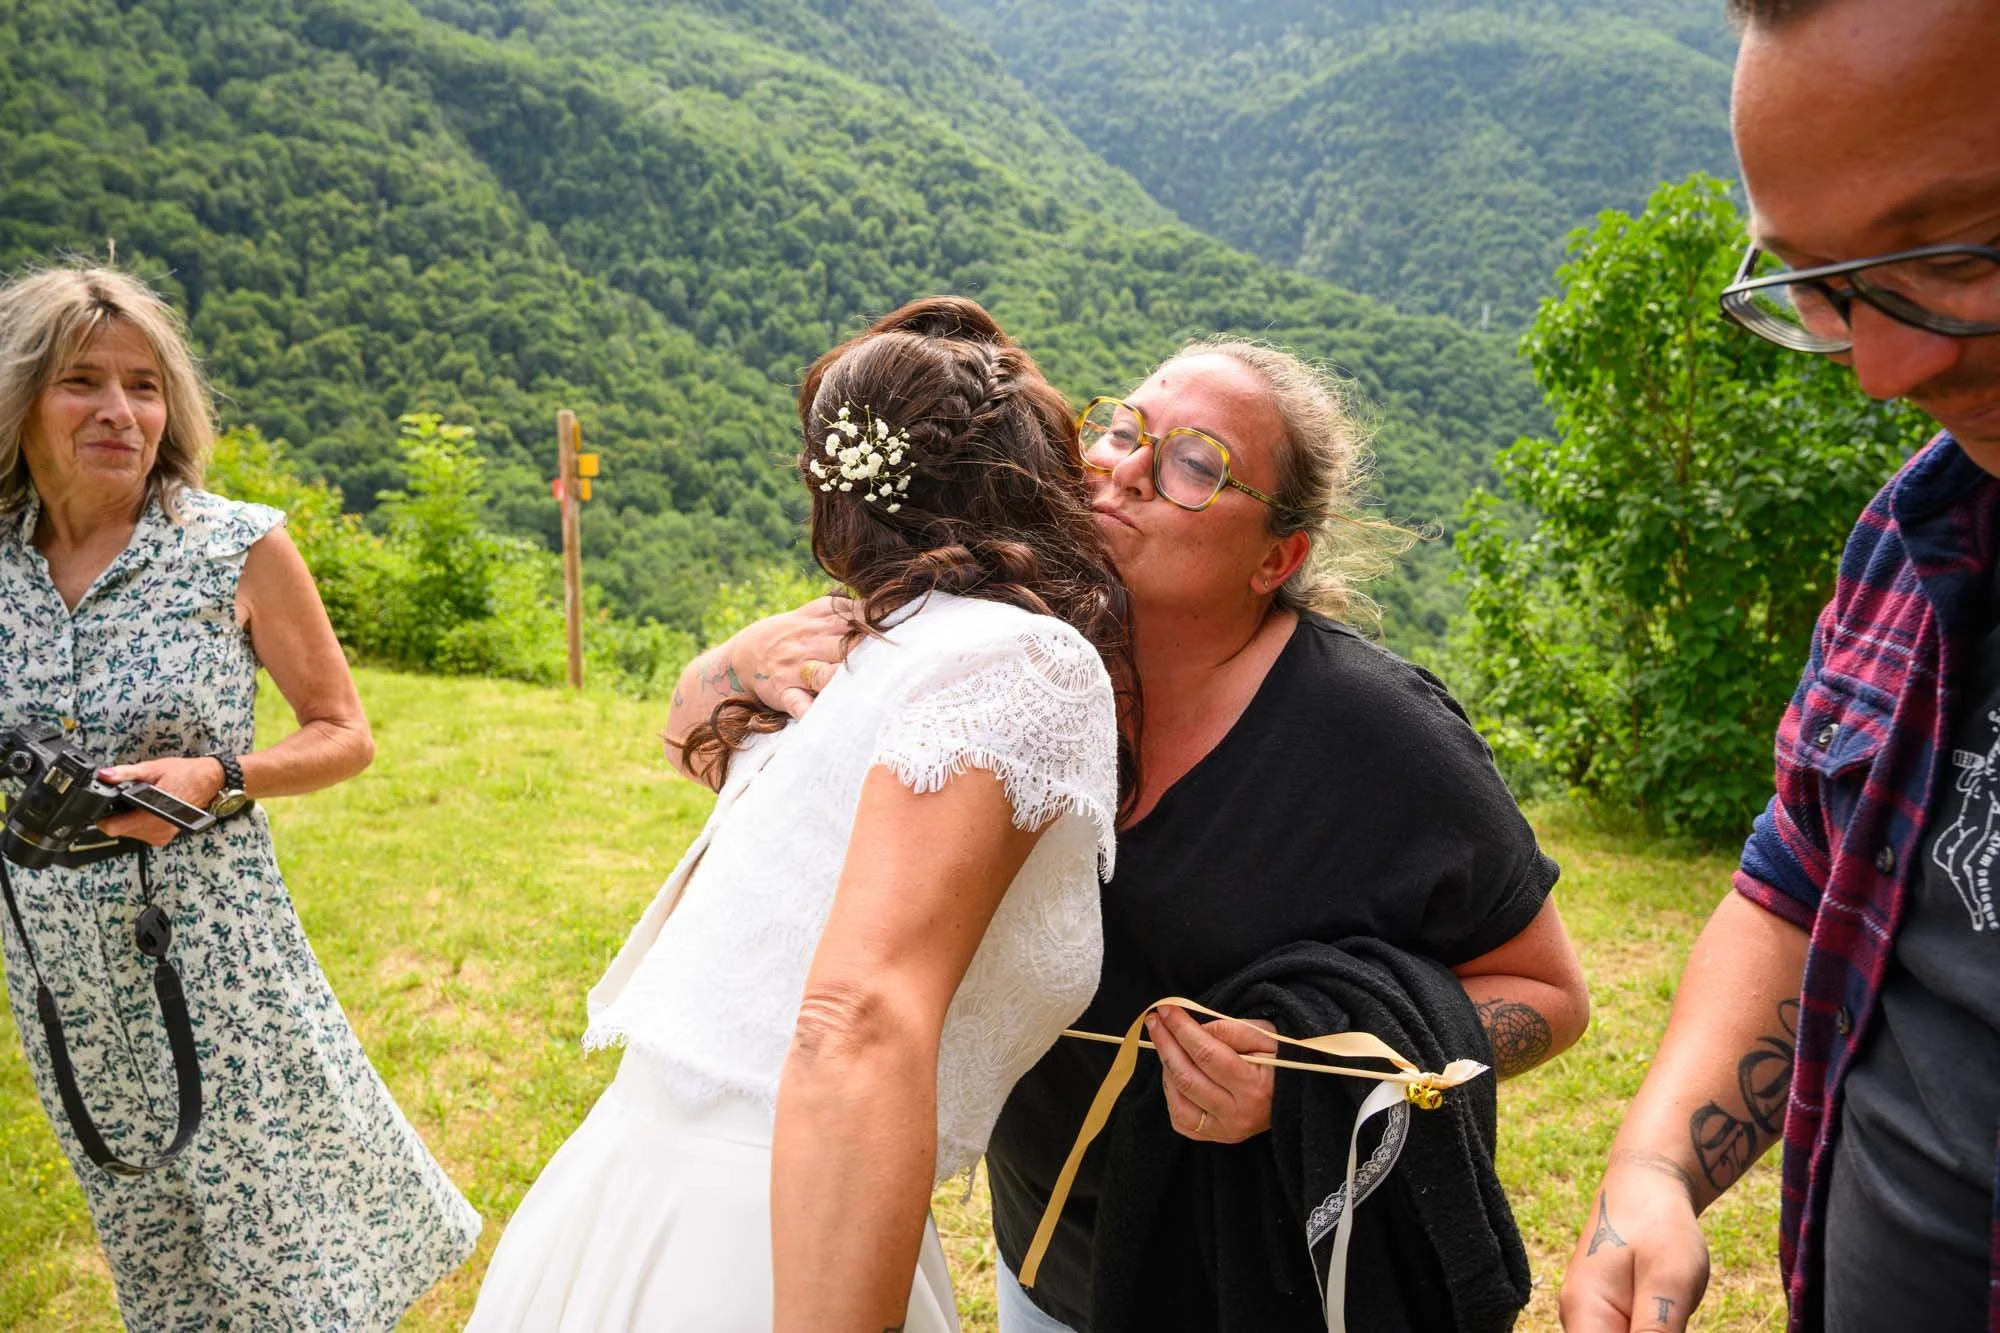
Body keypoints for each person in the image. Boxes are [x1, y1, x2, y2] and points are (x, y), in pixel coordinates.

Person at [694, 338, 1592, 1330]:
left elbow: (1547, 992)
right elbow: (717, 738)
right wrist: (733, 667)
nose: (1124, 466)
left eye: (1194, 464)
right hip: (1041, 1261)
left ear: (1275, 558)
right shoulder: (1009, 658)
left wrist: (1311, 1076)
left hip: (1253, 1284)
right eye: (1123, 428)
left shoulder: (1378, 738)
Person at [466, 296, 1130, 1332]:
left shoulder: (878, 637)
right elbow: (857, 1016)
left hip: (640, 1176)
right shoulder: (1017, 662)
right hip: (780, 1223)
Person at [1558, 2, 2000, 1330]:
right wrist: (1653, 1169)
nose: (1884, 367)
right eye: (1823, 287)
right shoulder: (1920, 539)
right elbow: (1803, 877)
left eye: (1961, 251)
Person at [0, 265, 478, 1328]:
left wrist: (216, 777)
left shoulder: (233, 545)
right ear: (23, 397)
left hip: (211, 941)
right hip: (54, 961)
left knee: (279, 1226)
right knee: (147, 1233)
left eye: (144, 385)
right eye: (82, 381)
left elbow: (344, 734)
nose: (121, 412)